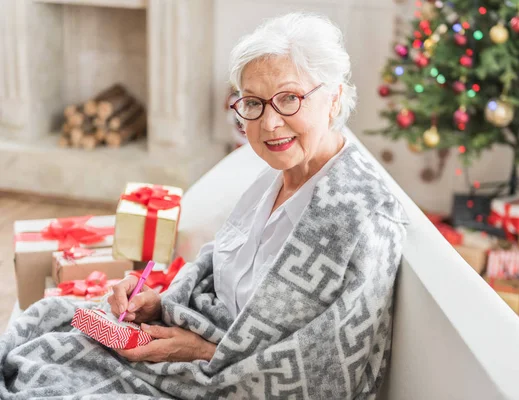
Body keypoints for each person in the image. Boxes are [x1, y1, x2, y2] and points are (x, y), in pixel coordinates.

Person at [0, 12, 408, 399]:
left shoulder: (364, 217)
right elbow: (219, 270)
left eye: (289, 99)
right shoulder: (272, 178)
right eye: (253, 103)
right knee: (43, 335)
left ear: (334, 99)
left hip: (228, 378)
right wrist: (161, 303)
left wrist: (199, 351)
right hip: (188, 339)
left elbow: (330, 374)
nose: (269, 123)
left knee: (41, 381)